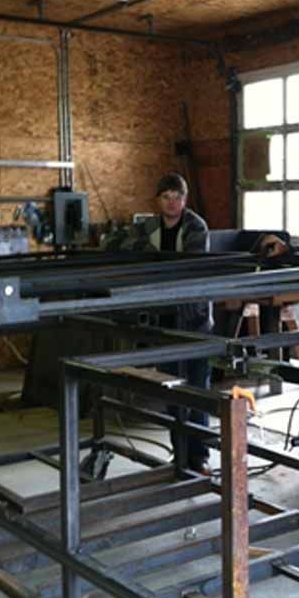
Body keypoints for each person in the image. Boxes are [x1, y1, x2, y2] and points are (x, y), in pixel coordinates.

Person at [127, 172, 212, 473]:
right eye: (166, 197)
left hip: (194, 320)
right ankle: (181, 454)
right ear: (158, 200)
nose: (172, 202)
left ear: (185, 200)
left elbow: (188, 266)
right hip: (165, 319)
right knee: (173, 388)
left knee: (197, 389)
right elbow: (122, 243)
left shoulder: (195, 227)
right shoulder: (149, 226)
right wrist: (152, 257)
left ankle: (199, 456)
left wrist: (154, 262)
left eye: (177, 197)